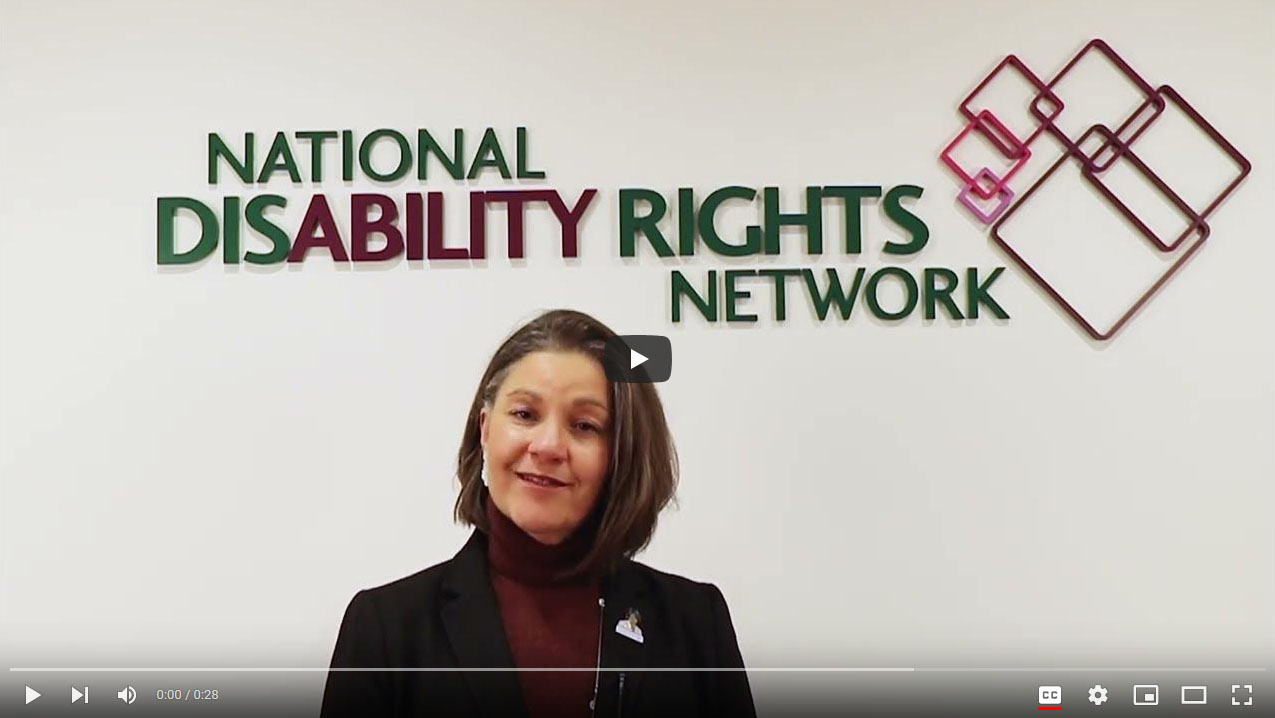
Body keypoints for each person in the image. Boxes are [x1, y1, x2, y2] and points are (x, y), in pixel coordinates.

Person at [320, 309, 756, 718]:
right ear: (486, 428)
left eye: (584, 425)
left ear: (620, 454)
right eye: (525, 414)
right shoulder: (386, 629)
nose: (547, 446)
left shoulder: (696, 623)